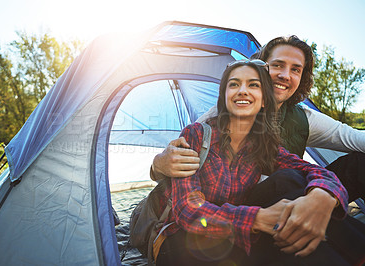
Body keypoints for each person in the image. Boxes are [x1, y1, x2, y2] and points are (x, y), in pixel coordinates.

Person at [151, 35, 365, 256]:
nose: (284, 75)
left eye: (295, 70)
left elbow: (340, 147)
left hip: (282, 200)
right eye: (277, 65)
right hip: (226, 218)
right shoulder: (210, 124)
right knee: (287, 183)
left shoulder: (289, 128)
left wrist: (323, 194)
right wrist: (158, 164)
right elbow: (183, 190)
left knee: (301, 177)